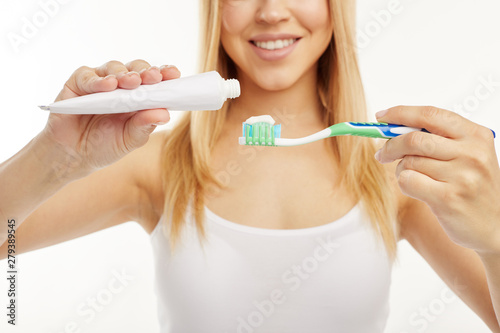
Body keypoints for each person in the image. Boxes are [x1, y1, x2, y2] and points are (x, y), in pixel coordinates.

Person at [1, 0, 500, 332]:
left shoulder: (396, 168)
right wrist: (58, 158)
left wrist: (495, 233)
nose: (270, 11)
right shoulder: (155, 165)